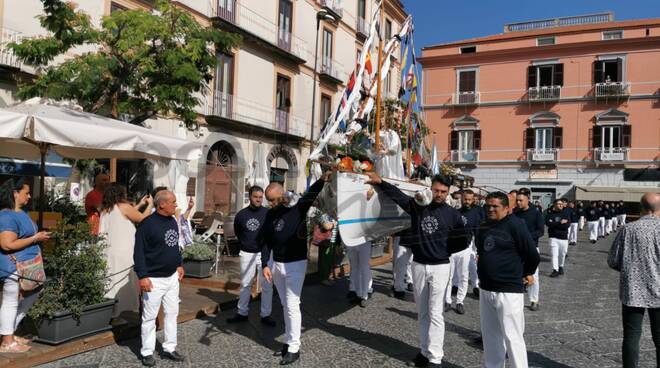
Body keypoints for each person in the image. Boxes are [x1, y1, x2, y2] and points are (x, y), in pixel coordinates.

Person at [365, 172, 468, 368]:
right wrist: (380, 182)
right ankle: (424, 351)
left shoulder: (453, 215)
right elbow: (398, 196)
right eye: (436, 190)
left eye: (443, 192)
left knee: (436, 313)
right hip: (419, 265)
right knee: (422, 312)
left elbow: (464, 239)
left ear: (448, 192)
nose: (439, 194)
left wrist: (444, 251)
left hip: (440, 267)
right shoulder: (418, 206)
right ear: (431, 188)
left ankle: (436, 358)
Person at [260, 172, 332, 365]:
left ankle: (294, 346)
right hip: (277, 264)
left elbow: (310, 194)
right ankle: (289, 339)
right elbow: (265, 241)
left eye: (273, 200)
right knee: (285, 304)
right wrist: (265, 264)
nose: (271, 204)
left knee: (292, 304)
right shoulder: (270, 214)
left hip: (296, 264)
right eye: (268, 201)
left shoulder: (298, 208)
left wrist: (322, 179)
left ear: (281, 196)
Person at [477, 191, 540, 368]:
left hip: (509, 290)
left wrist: (525, 273)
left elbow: (532, 255)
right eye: (488, 206)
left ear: (506, 208)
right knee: (490, 338)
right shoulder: (483, 226)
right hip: (486, 288)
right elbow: (482, 250)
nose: (490, 209)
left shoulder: (515, 225)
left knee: (513, 338)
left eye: (495, 206)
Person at [607, 193, 660, 368]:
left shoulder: (628, 229)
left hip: (632, 291)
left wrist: (630, 270)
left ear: (642, 207)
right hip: (659, 291)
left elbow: (613, 260)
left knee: (631, 336)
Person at [134, 190, 185, 367]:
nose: (176, 205)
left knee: (172, 313)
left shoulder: (172, 221)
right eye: (173, 202)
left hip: (171, 277)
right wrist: (142, 276)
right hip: (153, 279)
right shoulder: (146, 225)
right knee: (149, 317)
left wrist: (178, 264)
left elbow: (174, 246)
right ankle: (147, 351)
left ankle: (170, 347)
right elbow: (138, 253)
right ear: (162, 204)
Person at [0, 178, 50, 353]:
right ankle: (7, 341)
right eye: (26, 193)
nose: (29, 196)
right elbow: (7, 244)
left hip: (29, 266)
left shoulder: (21, 212)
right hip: (14, 266)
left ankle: (8, 333)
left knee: (32, 294)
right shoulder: (6, 216)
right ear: (15, 193)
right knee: (10, 302)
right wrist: (36, 238)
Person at [99, 183, 153, 319]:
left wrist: (140, 205)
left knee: (112, 279)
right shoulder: (124, 207)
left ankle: (112, 310)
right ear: (120, 193)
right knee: (125, 280)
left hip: (109, 250)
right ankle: (125, 309)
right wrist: (150, 205)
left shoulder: (106, 209)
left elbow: (125, 215)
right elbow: (143, 219)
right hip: (124, 250)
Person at [226, 186, 275, 326]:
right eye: (256, 197)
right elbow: (238, 232)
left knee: (267, 285)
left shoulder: (268, 213)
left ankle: (266, 314)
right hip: (247, 253)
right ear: (250, 197)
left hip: (264, 254)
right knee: (246, 284)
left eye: (260, 197)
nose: (258, 199)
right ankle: (242, 312)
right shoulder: (241, 215)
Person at [445, 189, 483, 314]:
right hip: (451, 249)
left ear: (473, 200)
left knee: (463, 276)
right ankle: (447, 300)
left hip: (466, 248)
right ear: (461, 198)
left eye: (469, 199)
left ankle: (460, 301)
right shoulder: (455, 212)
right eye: (465, 199)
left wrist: (479, 250)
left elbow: (478, 232)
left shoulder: (476, 213)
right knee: (449, 276)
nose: (467, 201)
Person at [514, 188, 544, 311]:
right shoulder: (515, 213)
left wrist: (526, 237)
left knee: (532, 274)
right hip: (517, 249)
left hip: (531, 248)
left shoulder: (536, 213)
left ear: (528, 199)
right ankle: (518, 299)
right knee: (518, 274)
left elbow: (540, 231)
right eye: (517, 200)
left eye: (521, 200)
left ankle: (534, 300)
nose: (518, 203)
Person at [546, 199, 570, 277]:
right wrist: (560, 223)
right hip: (553, 237)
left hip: (563, 237)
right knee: (554, 254)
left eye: (562, 204)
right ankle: (555, 270)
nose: (561, 205)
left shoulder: (566, 214)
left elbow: (567, 225)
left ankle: (561, 266)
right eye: (559, 204)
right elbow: (549, 224)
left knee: (563, 254)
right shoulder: (550, 214)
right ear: (555, 205)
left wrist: (555, 224)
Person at [392, 228, 414, 300]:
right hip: (403, 238)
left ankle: (410, 282)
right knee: (399, 265)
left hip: (416, 240)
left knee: (412, 263)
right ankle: (399, 289)